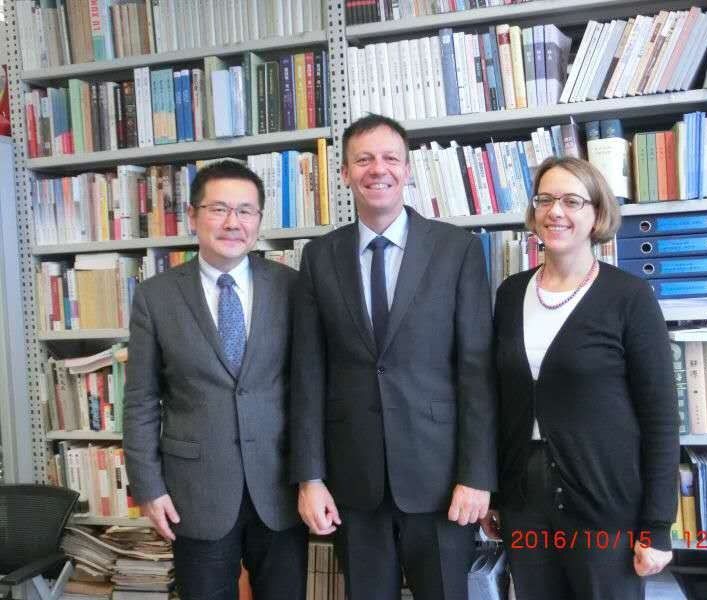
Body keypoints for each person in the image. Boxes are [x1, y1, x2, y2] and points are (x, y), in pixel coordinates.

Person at [290, 114, 497, 600]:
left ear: (407, 169)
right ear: (345, 172)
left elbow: (477, 371)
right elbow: (308, 375)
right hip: (353, 482)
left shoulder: (456, 249)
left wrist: (476, 475)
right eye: (363, 159)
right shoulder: (319, 257)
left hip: (441, 481)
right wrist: (310, 478)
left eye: (389, 158)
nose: (377, 169)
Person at [484, 156, 679, 599]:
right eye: (545, 200)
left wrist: (656, 526)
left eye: (572, 201)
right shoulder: (510, 294)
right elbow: (499, 402)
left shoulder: (628, 296)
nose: (556, 211)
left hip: (605, 501)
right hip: (524, 500)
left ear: (597, 214)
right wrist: (495, 494)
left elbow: (661, 418)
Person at [123, 160, 307, 600]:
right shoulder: (156, 296)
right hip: (196, 492)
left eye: (245, 211)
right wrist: (148, 488)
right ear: (192, 215)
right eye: (219, 209)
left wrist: (314, 476)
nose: (232, 223)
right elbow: (141, 400)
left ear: (258, 220)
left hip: (280, 486)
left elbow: (310, 388)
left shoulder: (293, 288)